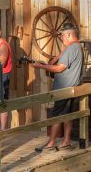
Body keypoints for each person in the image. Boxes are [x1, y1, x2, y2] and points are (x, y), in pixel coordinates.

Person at [32, 22, 83, 151]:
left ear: (69, 34)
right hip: (71, 88)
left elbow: (60, 68)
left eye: (62, 35)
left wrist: (41, 66)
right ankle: (66, 141)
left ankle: (51, 143)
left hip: (63, 90)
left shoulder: (71, 49)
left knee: (57, 115)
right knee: (67, 115)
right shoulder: (76, 47)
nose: (60, 38)